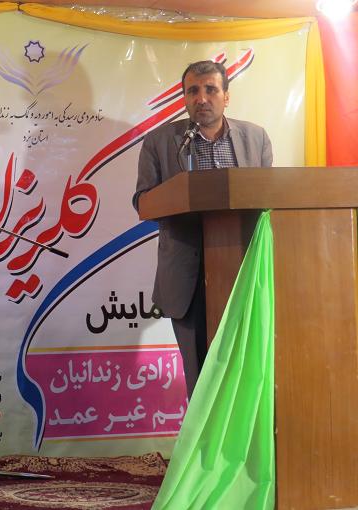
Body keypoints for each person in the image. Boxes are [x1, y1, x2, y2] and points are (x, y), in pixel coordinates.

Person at [132, 60, 272, 398]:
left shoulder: (256, 138)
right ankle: (201, 435)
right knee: (200, 380)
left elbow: (269, 198)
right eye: (192, 91)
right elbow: (143, 202)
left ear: (227, 96)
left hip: (244, 272)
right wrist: (181, 193)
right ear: (184, 98)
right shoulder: (160, 142)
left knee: (247, 374)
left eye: (211, 89)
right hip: (187, 277)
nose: (201, 98)